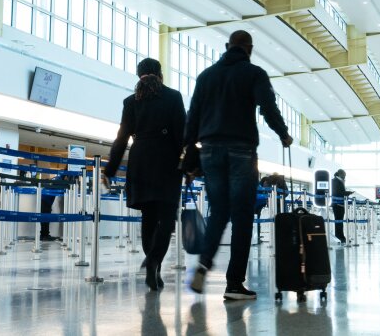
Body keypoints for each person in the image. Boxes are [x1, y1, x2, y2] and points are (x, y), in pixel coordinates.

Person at [182, 30, 292, 300]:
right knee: (243, 216)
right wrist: (283, 134)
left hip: (209, 151)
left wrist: (190, 156)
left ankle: (204, 263)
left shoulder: (206, 76)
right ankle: (234, 284)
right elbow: (268, 108)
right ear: (249, 49)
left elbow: (192, 116)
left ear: (226, 46)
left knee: (218, 212)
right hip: (241, 150)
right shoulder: (254, 73)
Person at [104, 58, 186, 292]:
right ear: (160, 74)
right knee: (167, 218)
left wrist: (110, 170)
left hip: (139, 160)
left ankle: (153, 265)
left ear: (138, 75)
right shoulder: (173, 96)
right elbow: (182, 134)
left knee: (148, 217)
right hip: (166, 161)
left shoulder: (131, 101)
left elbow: (121, 138)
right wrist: (191, 163)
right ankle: (153, 262)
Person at [38, 168, 72, 242]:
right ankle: (44, 235)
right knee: (45, 218)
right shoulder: (60, 180)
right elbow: (65, 188)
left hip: (45, 197)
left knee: (45, 217)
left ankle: (45, 235)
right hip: (46, 199)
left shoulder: (56, 178)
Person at [331, 169, 349, 242]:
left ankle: (341, 236)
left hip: (340, 204)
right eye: (344, 175)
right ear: (340, 174)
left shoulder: (339, 181)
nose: (345, 177)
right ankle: (339, 237)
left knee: (340, 221)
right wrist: (346, 193)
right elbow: (337, 192)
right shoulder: (335, 181)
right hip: (337, 204)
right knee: (338, 221)